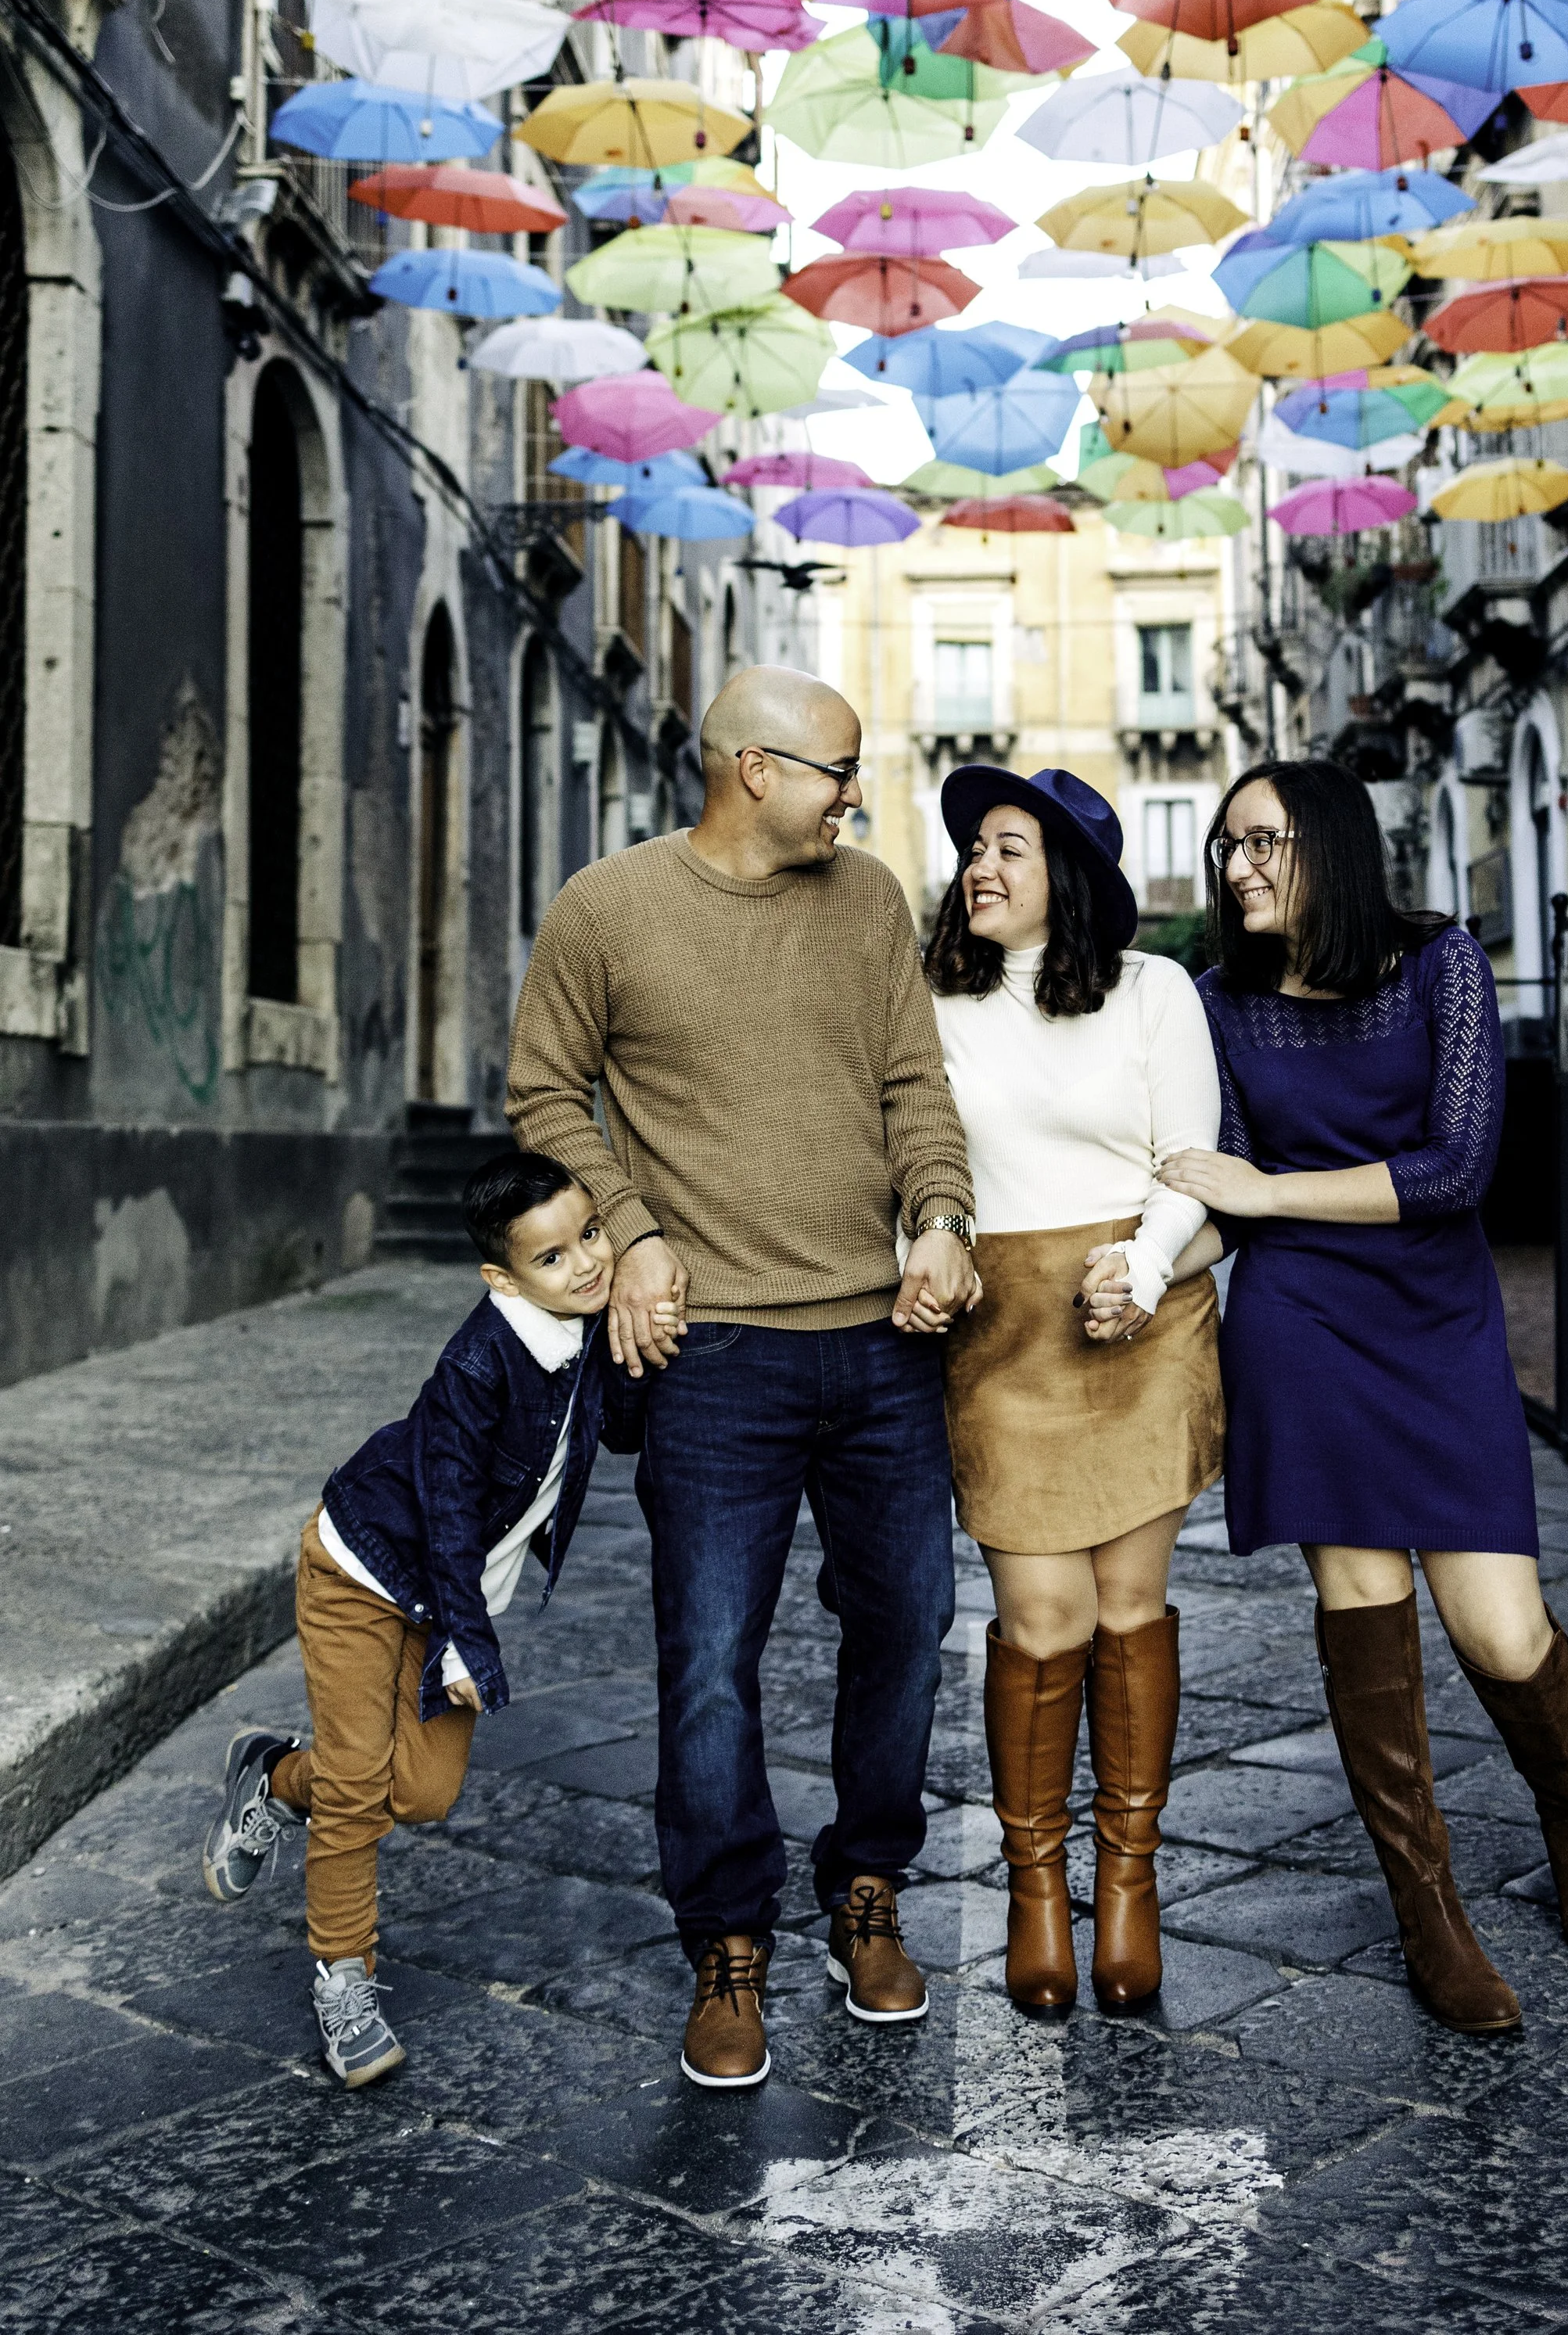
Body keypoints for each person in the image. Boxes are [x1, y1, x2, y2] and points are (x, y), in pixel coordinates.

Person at [504, 666, 981, 2093]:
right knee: (710, 1662)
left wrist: (944, 1218)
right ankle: (726, 1940)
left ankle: (866, 1887)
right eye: (837, 769)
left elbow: (914, 1084)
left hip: (883, 1345)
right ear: (750, 769)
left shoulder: (871, 901)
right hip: (712, 1356)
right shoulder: (607, 910)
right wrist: (634, 1237)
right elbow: (542, 1096)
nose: (856, 795)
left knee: (909, 1619)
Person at [1154, 759, 1568, 2036]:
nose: (1239, 868)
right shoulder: (1218, 1003)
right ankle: (1430, 1915)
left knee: (1500, 1632)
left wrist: (1261, 1197)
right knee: (1363, 1610)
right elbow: (1222, 1190)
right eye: (1228, 849)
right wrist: (1148, 1267)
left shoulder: (1440, 965)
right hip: (1300, 1324)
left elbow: (1454, 1168)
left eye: (1262, 843)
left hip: (1437, 1320)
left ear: (1331, 845)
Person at [200, 1149, 640, 2089]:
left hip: (439, 1592)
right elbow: (446, 1522)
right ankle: (344, 1979)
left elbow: (622, 1421)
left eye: (591, 1234)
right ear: (502, 1278)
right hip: (364, 1573)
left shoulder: (590, 1324)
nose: (587, 1264)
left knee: (426, 1794)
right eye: (554, 1258)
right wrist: (464, 1643)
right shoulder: (476, 1366)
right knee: (360, 1793)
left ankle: (276, 1778)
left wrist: (654, 1327)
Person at [924, 765, 1222, 2014]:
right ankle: (1035, 1887)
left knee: (1125, 1606)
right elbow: (912, 1159)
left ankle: (1132, 1881)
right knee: (1040, 1619)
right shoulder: (928, 999)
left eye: (1009, 848)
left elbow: (1195, 1155)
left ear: (1074, 880)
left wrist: (1147, 1264)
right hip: (1003, 1339)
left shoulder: (1155, 990)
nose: (980, 867)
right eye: (975, 849)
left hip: (1140, 1320)